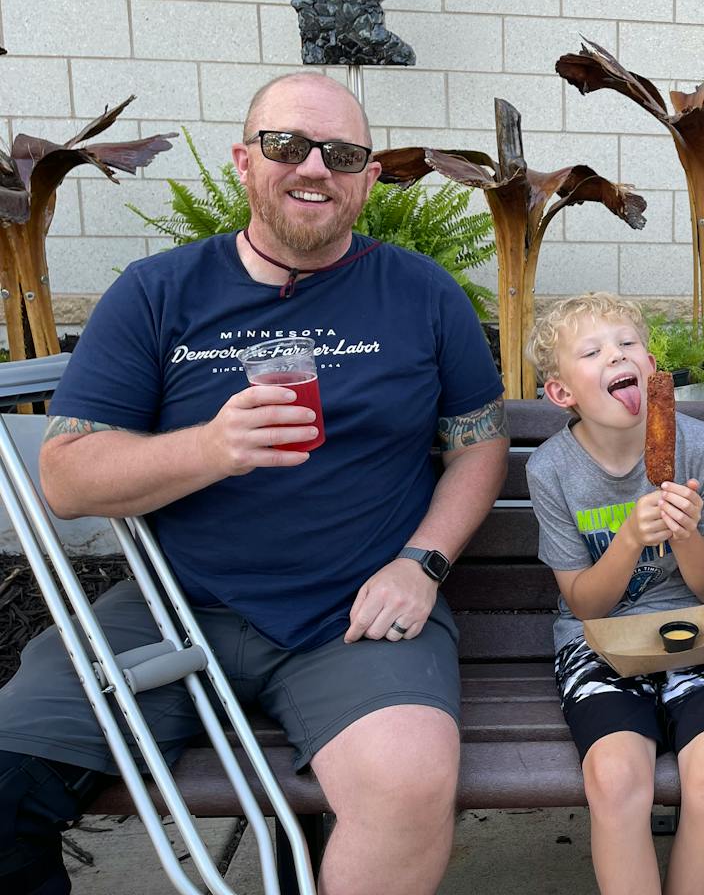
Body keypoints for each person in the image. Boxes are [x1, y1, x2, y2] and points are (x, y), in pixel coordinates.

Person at [0, 72, 509, 895]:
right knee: (4, 779)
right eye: (287, 145)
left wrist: (424, 561)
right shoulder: (157, 293)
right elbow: (64, 478)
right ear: (243, 161)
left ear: (368, 178)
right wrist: (211, 447)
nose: (315, 167)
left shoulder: (420, 293)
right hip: (172, 609)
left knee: (409, 788)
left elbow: (478, 446)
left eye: (342, 153)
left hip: (352, 613)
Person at [524, 292, 704, 895]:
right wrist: (630, 537)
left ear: (652, 371)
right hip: (599, 639)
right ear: (561, 394)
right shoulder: (551, 470)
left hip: (701, 629)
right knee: (613, 777)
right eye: (593, 351)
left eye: (629, 345)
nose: (617, 356)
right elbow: (584, 604)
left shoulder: (702, 448)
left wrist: (684, 536)